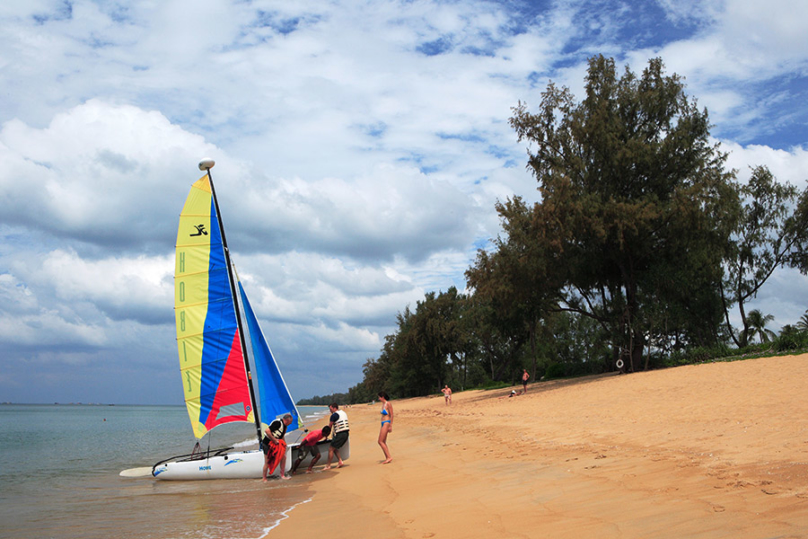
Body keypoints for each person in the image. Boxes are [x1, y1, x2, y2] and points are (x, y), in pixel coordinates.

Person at [262, 413, 294, 481]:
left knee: (283, 457)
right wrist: (274, 440)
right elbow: (267, 431)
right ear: (287, 420)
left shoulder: (285, 427)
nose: (290, 423)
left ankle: (282, 475)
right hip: (267, 443)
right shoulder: (277, 423)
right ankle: (264, 478)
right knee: (267, 461)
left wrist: (284, 445)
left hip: (275, 444)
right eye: (290, 422)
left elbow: (282, 437)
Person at [324, 403, 349, 469]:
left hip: (340, 434)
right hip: (346, 433)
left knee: (331, 449)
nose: (330, 411)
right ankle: (340, 461)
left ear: (334, 408)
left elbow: (329, 427)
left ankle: (328, 465)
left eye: (330, 409)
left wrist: (326, 435)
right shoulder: (343, 412)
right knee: (334, 447)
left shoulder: (334, 415)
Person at [377, 392, 393, 464]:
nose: (378, 398)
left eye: (379, 397)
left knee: (380, 441)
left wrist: (390, 425)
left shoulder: (388, 403)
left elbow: (392, 415)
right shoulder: (383, 404)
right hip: (383, 423)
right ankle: (387, 457)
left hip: (386, 422)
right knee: (383, 441)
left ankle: (389, 457)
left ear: (382, 397)